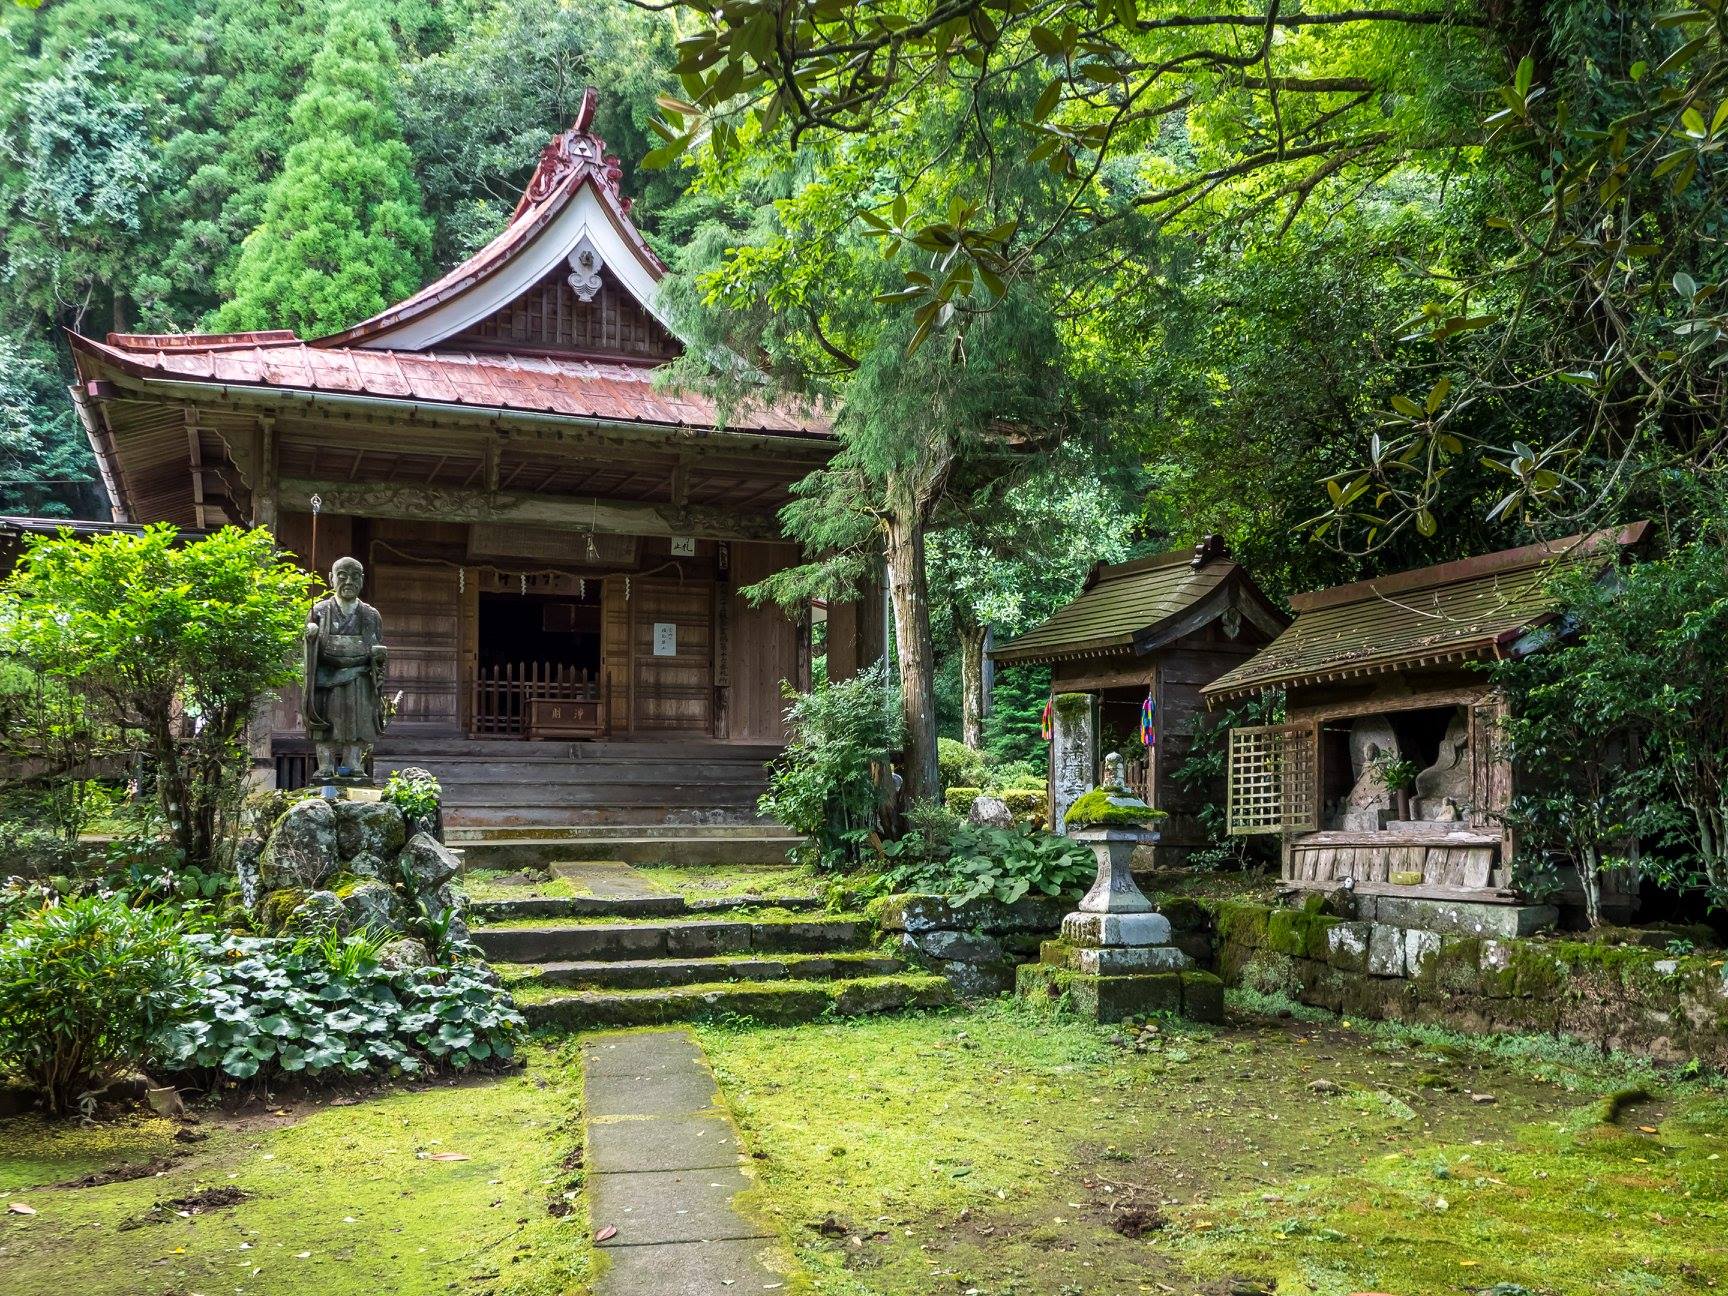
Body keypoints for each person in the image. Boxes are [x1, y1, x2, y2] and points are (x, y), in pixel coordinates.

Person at [303, 556, 387, 781]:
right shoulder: (319, 612)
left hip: (359, 679)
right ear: (331, 579)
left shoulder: (370, 614)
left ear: (362, 580)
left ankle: (353, 765)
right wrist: (312, 637)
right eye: (342, 576)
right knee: (326, 724)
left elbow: (372, 649)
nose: (348, 581)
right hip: (326, 679)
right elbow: (316, 652)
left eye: (355, 576)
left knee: (357, 725)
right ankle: (325, 767)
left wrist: (336, 646)